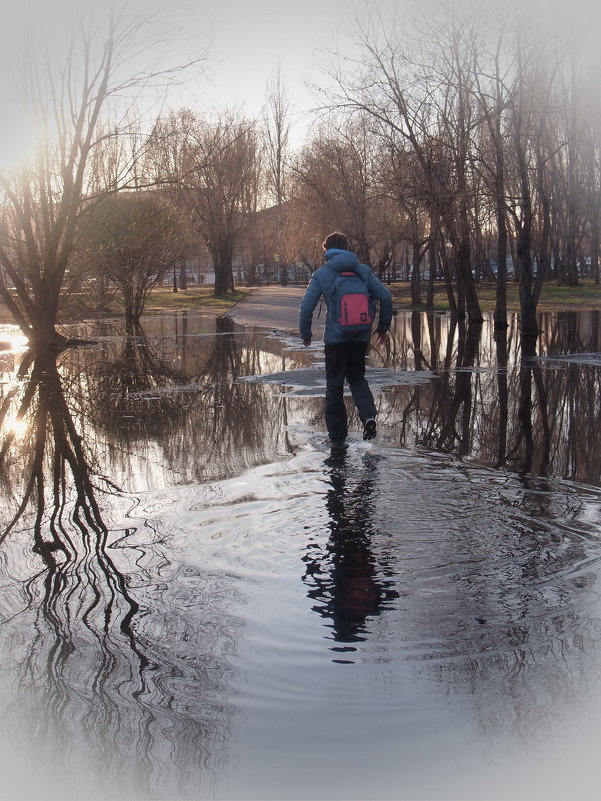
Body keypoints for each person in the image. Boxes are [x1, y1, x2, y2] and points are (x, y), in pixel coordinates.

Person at [299, 231, 393, 446]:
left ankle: (337, 438)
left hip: (335, 340)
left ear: (327, 250)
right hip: (360, 337)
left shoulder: (322, 274)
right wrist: (382, 328)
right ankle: (368, 416)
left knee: (334, 386)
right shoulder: (363, 271)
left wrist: (306, 334)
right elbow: (386, 297)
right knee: (357, 379)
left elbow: (306, 307)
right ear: (347, 248)